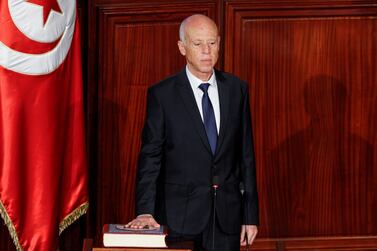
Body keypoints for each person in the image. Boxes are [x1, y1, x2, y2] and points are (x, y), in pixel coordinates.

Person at [126, 14, 259, 250]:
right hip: (179, 217)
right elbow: (151, 157)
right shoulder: (163, 95)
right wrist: (145, 211)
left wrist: (250, 216)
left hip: (226, 219)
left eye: (212, 43)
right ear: (182, 48)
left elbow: (245, 156)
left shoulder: (237, 89)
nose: (207, 51)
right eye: (198, 44)